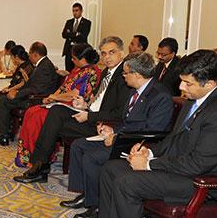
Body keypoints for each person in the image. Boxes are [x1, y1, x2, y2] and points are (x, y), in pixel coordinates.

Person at [97, 50, 217, 218]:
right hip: (182, 169)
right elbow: (175, 138)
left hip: (205, 182)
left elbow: (199, 164)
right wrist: (150, 152)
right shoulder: (195, 98)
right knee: (111, 168)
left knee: (127, 182)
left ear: (210, 84)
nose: (181, 87)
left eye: (188, 83)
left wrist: (149, 164)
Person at [61, 52, 173, 218]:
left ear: (137, 74)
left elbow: (152, 130)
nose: (123, 75)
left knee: (92, 157)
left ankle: (98, 205)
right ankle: (86, 194)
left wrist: (117, 136)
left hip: (137, 144)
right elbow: (125, 120)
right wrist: (110, 128)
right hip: (123, 136)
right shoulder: (134, 90)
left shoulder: (160, 96)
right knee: (79, 145)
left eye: (126, 73)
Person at [13, 36, 132, 183]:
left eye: (111, 52)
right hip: (90, 113)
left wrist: (89, 116)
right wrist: (84, 104)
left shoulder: (125, 77)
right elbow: (97, 99)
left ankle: (40, 168)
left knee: (52, 125)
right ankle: (39, 165)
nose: (107, 57)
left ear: (121, 53)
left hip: (103, 124)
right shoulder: (107, 72)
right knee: (56, 111)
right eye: (103, 53)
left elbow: (118, 113)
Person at [15, 43, 101, 167]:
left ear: (82, 59)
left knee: (38, 116)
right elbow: (63, 88)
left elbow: (75, 94)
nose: (71, 60)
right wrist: (52, 98)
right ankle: (27, 155)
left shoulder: (92, 72)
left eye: (74, 58)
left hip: (74, 107)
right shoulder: (78, 69)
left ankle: (40, 158)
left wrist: (54, 97)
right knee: (31, 111)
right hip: (61, 103)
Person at [0, 42, 60, 146]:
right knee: (3, 97)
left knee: (4, 100)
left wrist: (17, 94)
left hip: (36, 99)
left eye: (30, 53)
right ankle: (5, 133)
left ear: (36, 55)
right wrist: (16, 90)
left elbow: (35, 89)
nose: (28, 56)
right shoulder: (43, 64)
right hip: (32, 95)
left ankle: (3, 136)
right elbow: (33, 85)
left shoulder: (44, 67)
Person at [61, 2, 91, 72]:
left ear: (81, 11)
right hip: (69, 50)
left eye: (76, 10)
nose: (74, 13)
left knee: (78, 71)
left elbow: (83, 36)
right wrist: (76, 34)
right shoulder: (69, 22)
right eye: (73, 11)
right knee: (68, 70)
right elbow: (64, 34)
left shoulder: (87, 22)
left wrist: (70, 34)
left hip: (79, 51)